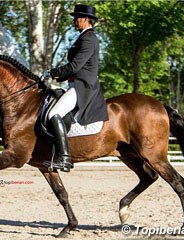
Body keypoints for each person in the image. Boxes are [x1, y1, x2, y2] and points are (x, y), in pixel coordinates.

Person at [40, 4, 108, 172]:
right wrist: (57, 76)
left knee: (53, 114)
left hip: (83, 87)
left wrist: (52, 73)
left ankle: (64, 158)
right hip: (75, 83)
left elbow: (75, 66)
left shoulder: (89, 39)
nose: (74, 21)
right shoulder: (83, 38)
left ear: (85, 19)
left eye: (76, 18)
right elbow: (75, 68)